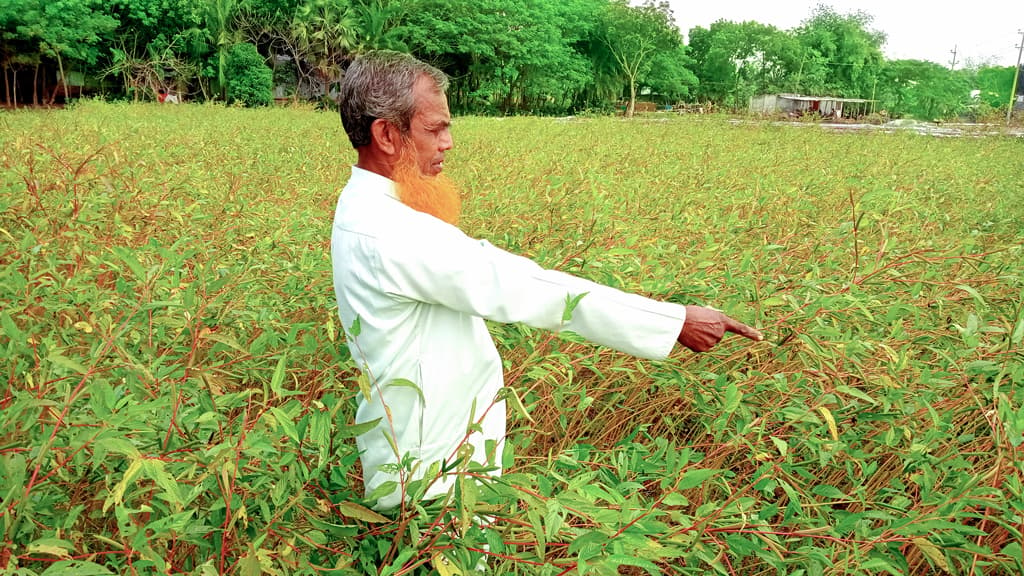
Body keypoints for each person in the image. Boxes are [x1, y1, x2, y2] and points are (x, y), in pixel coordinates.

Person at [331, 50, 763, 511]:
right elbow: (527, 287)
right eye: (435, 128)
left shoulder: (366, 209)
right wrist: (672, 321)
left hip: (422, 456)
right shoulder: (395, 233)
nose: (449, 143)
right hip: (431, 482)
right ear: (387, 134)